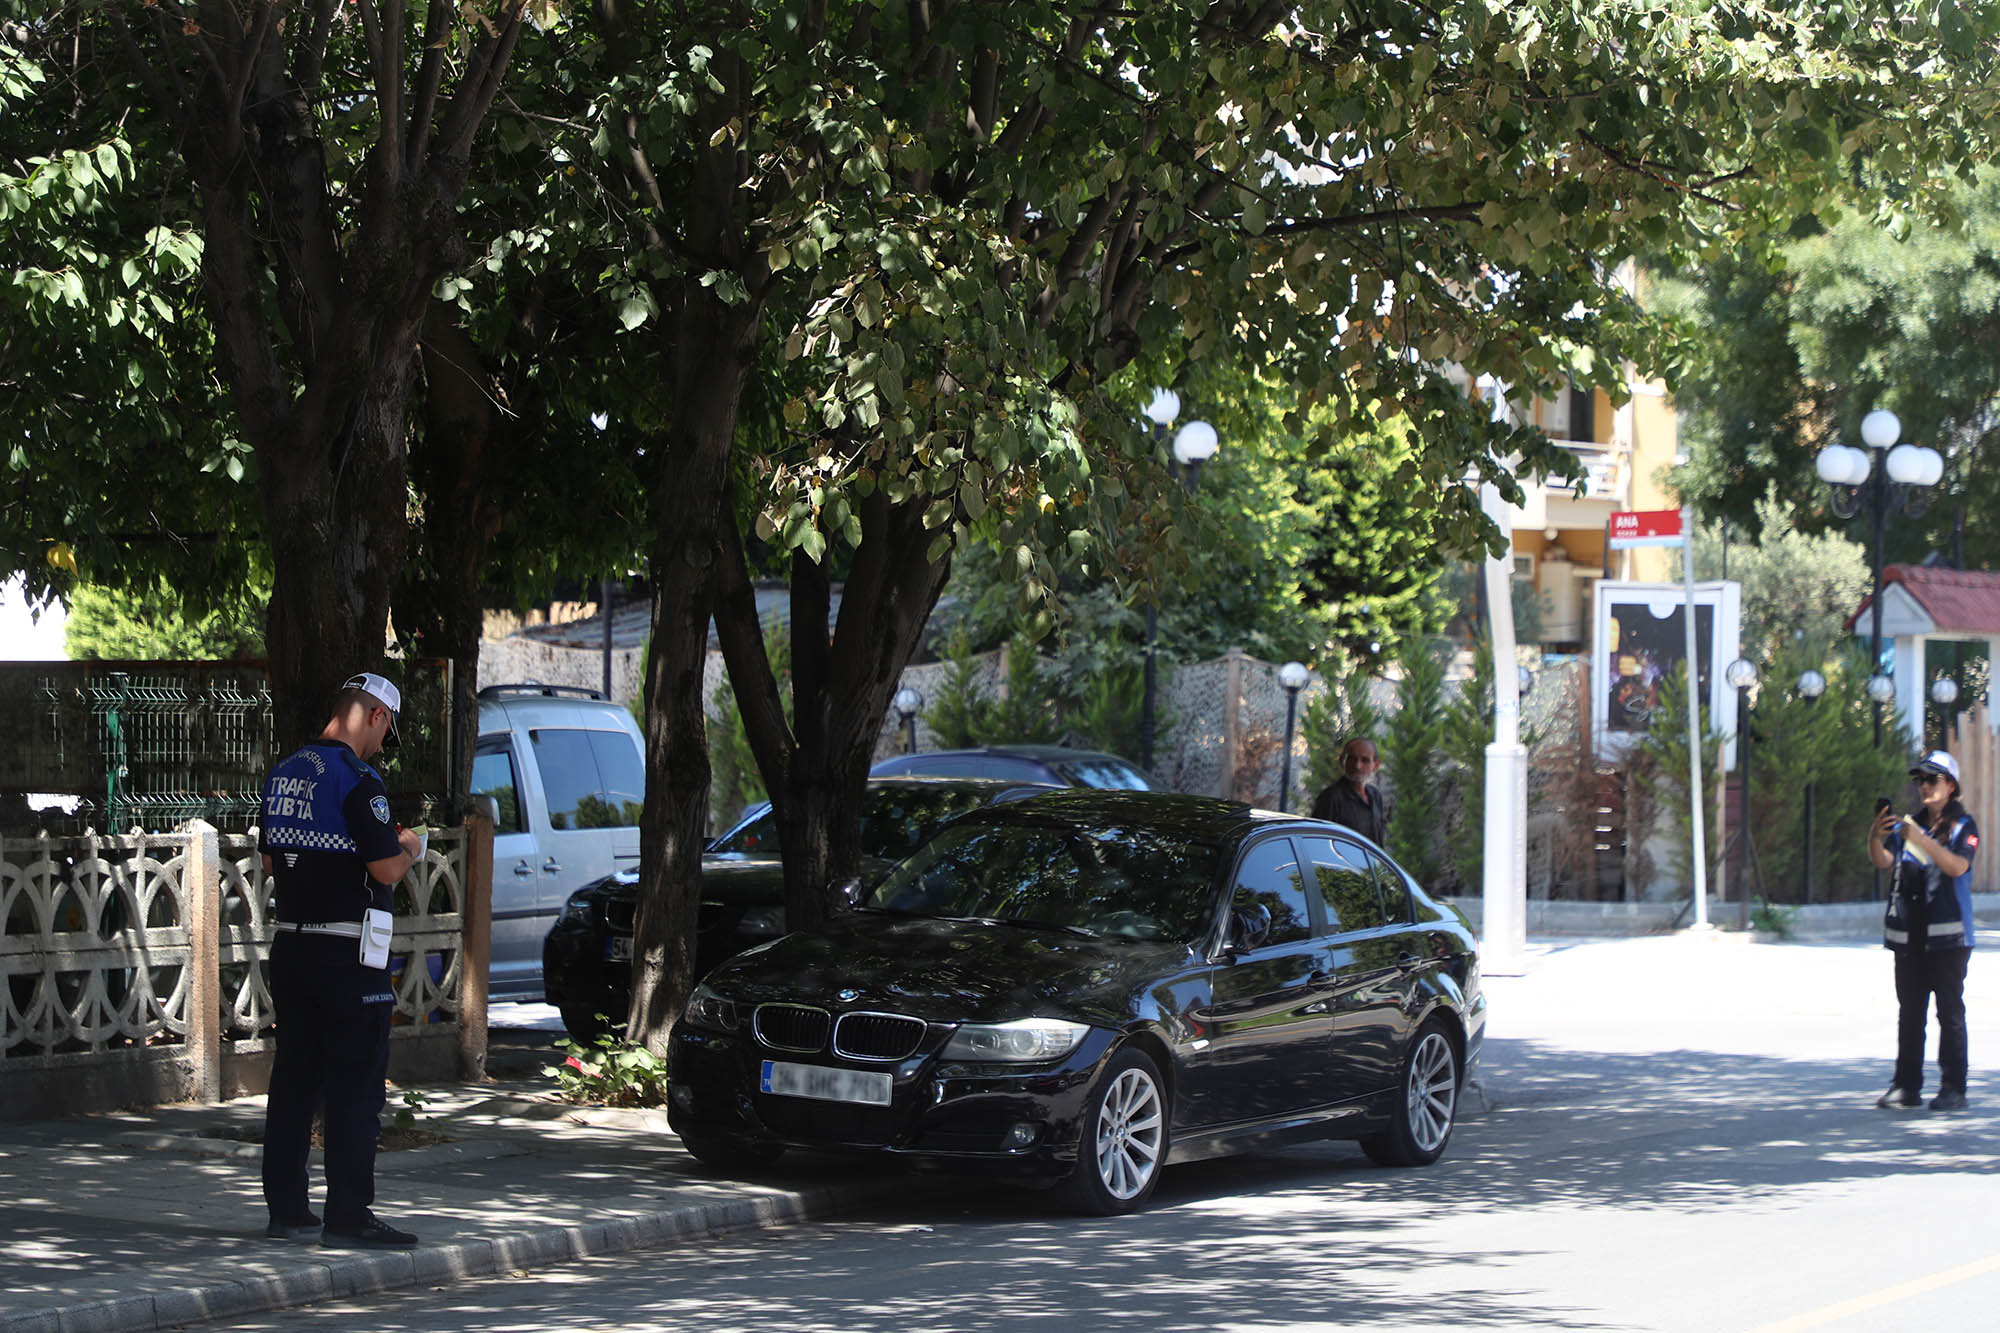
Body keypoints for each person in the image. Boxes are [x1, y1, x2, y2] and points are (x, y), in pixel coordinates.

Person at [259, 672, 423, 1248]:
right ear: (375, 716)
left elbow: (273, 865)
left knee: (296, 1080)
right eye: (386, 731)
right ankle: (349, 1215)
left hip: (294, 946)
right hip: (349, 955)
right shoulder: (359, 781)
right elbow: (384, 870)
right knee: (356, 1086)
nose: (382, 745)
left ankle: (287, 1209)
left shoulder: (283, 774)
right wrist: (409, 846)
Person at [1868, 749, 1979, 1112]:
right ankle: (1906, 1086)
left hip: (1949, 937)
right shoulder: (1908, 826)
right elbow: (1884, 860)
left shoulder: (1964, 826)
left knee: (1949, 1011)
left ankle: (1953, 1088)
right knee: (1910, 1013)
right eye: (1920, 781)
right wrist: (1875, 835)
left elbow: (1957, 866)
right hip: (1910, 935)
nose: (1924, 787)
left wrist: (1920, 838)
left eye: (1932, 780)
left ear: (1951, 786)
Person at [1311, 737, 1391, 846]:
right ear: (1342, 761)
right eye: (1352, 759)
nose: (1357, 766)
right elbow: (1318, 842)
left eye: (1365, 760)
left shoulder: (1375, 796)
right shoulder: (1331, 798)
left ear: (1376, 765)